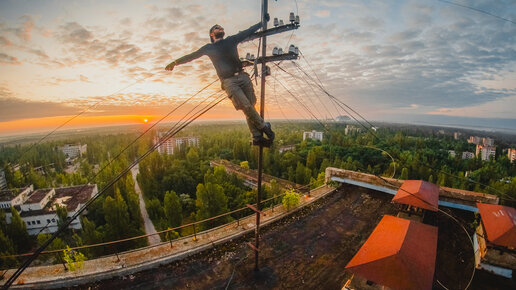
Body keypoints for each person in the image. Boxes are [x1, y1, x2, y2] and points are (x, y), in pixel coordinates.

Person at [165, 19, 275, 146]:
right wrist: (175, 63)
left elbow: (248, 31)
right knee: (245, 106)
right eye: (217, 27)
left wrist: (263, 22)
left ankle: (257, 137)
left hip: (243, 77)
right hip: (229, 82)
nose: (220, 28)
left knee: (250, 105)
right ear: (211, 34)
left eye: (221, 27)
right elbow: (192, 56)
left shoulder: (231, 40)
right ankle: (264, 127)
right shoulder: (209, 48)